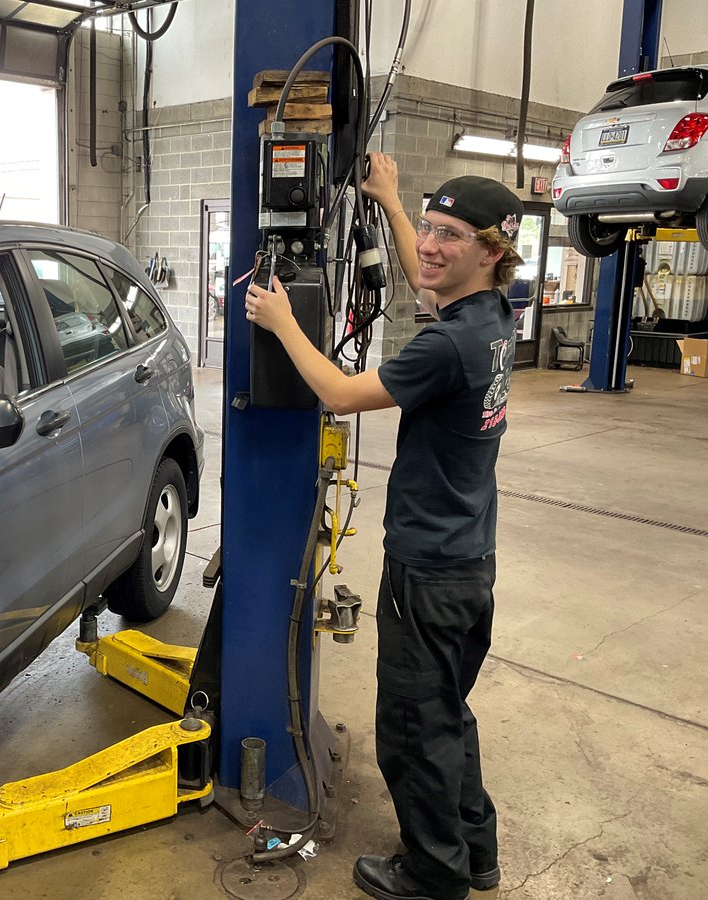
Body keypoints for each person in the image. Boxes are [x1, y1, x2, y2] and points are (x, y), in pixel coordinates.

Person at [244, 152, 523, 900]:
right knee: (447, 711)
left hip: (428, 569)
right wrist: (394, 203)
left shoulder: (448, 346)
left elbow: (336, 389)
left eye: (451, 236)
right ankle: (476, 847)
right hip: (470, 558)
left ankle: (435, 874)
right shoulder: (495, 315)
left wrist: (280, 321)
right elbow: (429, 279)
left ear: (491, 251)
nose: (430, 247)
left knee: (412, 725)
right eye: (429, 229)